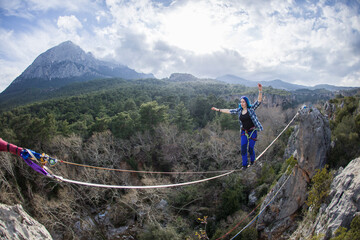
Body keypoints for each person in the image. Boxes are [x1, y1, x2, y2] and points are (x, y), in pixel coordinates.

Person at [211, 83, 263, 169]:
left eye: (243, 102)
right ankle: (244, 165)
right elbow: (229, 111)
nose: (242, 103)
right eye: (241, 102)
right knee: (243, 148)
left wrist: (260, 91)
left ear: (246, 102)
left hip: (252, 130)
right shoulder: (239, 111)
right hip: (244, 131)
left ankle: (253, 160)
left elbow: (259, 101)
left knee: (250, 148)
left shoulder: (251, 109)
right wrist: (218, 110)